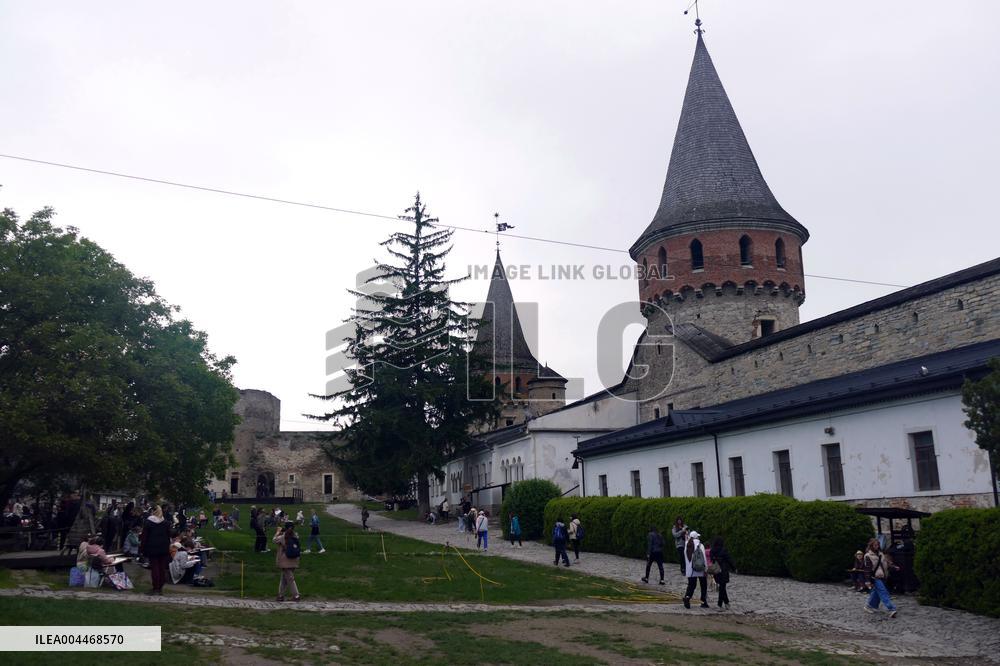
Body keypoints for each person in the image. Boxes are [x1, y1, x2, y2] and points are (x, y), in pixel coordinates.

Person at [140, 505, 171, 596]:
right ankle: (160, 587)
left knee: (155, 568)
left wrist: (142, 548)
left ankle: (155, 587)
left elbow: (144, 537)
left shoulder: (148, 522)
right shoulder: (166, 523)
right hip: (163, 547)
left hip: (152, 547)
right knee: (161, 567)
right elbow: (168, 535)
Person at [864, 538, 899, 618]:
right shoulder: (868, 556)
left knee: (876, 593)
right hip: (875, 577)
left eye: (878, 545)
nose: (877, 546)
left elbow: (886, 563)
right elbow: (867, 569)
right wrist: (868, 581)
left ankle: (869, 605)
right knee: (883, 592)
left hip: (883, 576)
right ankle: (891, 609)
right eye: (875, 545)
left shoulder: (880, 554)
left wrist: (894, 567)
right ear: (871, 546)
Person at [274, 521, 301, 602]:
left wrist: (278, 532)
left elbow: (274, 540)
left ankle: (296, 595)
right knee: (284, 579)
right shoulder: (295, 535)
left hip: (285, 561)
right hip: (294, 559)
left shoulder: (283, 537)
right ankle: (280, 595)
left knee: (290, 579)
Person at [682, 530, 709, 609]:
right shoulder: (701, 545)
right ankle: (703, 601)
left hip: (691, 570)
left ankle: (687, 597)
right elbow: (704, 558)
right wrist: (706, 569)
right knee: (703, 585)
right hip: (700, 568)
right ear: (697, 537)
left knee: (691, 585)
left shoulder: (687, 545)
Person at [710, 536, 736, 610]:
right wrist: (734, 568)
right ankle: (720, 604)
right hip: (724, 570)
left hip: (717, 571)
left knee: (722, 588)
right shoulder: (724, 550)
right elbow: (729, 559)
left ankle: (726, 603)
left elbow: (712, 560)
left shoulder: (713, 550)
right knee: (722, 588)